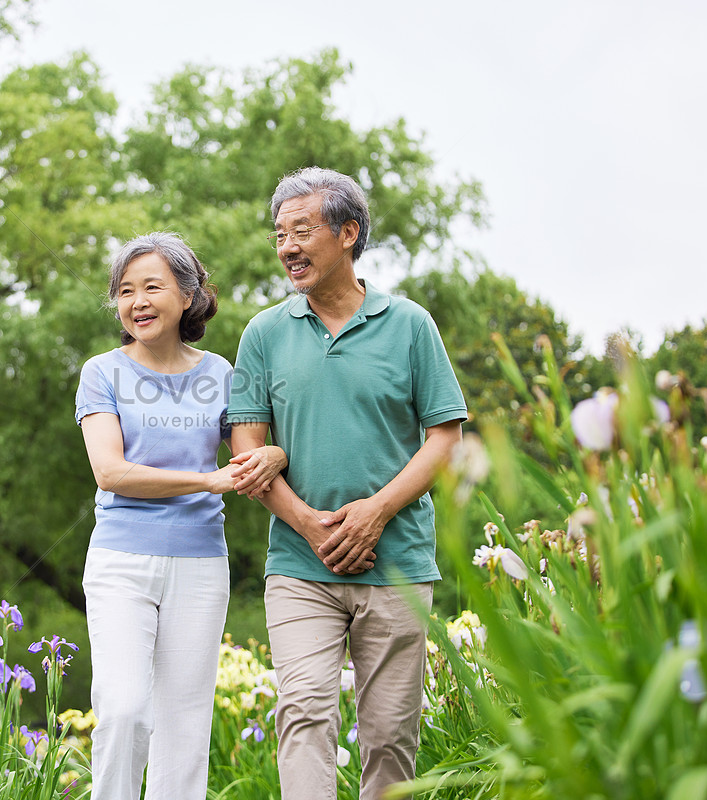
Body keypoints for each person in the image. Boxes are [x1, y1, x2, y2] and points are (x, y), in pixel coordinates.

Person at [228, 167, 468, 800]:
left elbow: (445, 437)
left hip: (396, 562)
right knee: (304, 710)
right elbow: (246, 447)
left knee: (389, 734)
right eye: (280, 235)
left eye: (302, 231)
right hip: (299, 564)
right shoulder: (265, 333)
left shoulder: (411, 326)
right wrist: (310, 523)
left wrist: (376, 513)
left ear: (348, 233)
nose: (287, 248)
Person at [75, 232, 286, 800]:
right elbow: (111, 474)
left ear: (188, 296)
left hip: (199, 566)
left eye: (151, 287)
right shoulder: (102, 372)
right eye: (125, 291)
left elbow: (248, 455)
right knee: (122, 711)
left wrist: (275, 453)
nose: (136, 301)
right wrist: (206, 480)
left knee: (185, 727)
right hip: (121, 561)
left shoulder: (221, 373)